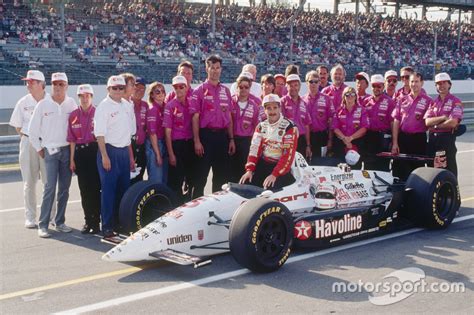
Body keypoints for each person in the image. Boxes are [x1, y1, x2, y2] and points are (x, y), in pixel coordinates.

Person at [29, 72, 77, 238]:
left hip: (66, 151)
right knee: (49, 188)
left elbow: (75, 128)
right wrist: (39, 148)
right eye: (55, 84)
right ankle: (43, 225)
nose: (57, 87)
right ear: (51, 86)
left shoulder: (72, 104)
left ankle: (60, 221)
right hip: (50, 150)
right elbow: (32, 130)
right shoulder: (43, 104)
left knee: (64, 189)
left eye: (61, 84)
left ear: (67, 86)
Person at [9, 70, 56, 229]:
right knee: (29, 182)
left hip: (47, 144)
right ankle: (30, 217)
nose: (27, 84)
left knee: (49, 183)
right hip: (28, 143)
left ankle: (51, 216)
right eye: (27, 81)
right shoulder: (23, 102)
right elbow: (17, 126)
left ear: (41, 84)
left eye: (31, 82)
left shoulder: (52, 101)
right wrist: (30, 138)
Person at [94, 75, 136, 238]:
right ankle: (107, 227)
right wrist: (105, 156)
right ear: (108, 89)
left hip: (124, 152)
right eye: (114, 88)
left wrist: (130, 157)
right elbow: (99, 135)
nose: (118, 91)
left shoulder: (127, 105)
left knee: (123, 191)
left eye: (121, 88)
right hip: (109, 151)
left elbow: (130, 132)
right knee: (108, 192)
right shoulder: (103, 107)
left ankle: (120, 224)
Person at [190, 55, 236, 196]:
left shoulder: (225, 91)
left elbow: (228, 116)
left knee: (221, 178)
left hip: (222, 137)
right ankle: (195, 209)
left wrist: (231, 139)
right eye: (212, 68)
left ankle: (216, 210)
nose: (215, 71)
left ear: (221, 69)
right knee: (200, 177)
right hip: (205, 137)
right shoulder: (199, 91)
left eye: (217, 68)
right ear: (206, 69)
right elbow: (195, 118)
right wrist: (197, 141)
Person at [239, 94, 298, 189]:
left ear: (280, 108)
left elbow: (287, 156)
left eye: (275, 107)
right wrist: (249, 170)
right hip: (264, 164)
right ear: (264, 110)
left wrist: (275, 174)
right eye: (269, 108)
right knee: (245, 184)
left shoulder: (289, 127)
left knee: (269, 188)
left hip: (281, 168)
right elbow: (254, 149)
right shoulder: (261, 126)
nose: (272, 111)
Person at [67, 84, 101, 234]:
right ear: (78, 98)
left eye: (88, 95)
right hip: (80, 154)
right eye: (82, 96)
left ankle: (97, 221)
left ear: (92, 97)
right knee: (84, 190)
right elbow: (71, 139)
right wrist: (72, 159)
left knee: (96, 189)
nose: (85, 98)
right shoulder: (73, 115)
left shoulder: (99, 112)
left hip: (95, 151)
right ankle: (88, 221)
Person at [391, 72, 431, 180]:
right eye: (412, 81)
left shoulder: (428, 101)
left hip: (419, 139)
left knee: (417, 170)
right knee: (400, 169)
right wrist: (395, 143)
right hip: (403, 139)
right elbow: (396, 121)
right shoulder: (402, 99)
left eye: (417, 81)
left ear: (422, 83)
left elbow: (431, 122)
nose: (414, 84)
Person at [424, 73, 463, 177]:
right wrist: (443, 118)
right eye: (438, 83)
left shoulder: (456, 101)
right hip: (432, 142)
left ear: (449, 84)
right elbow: (427, 122)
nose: (441, 85)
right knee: (433, 173)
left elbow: (453, 122)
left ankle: (451, 193)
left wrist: (436, 126)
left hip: (447, 141)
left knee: (448, 173)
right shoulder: (433, 103)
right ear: (436, 86)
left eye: (444, 83)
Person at [163, 76, 195, 202]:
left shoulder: (192, 103)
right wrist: (171, 154)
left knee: (191, 179)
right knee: (176, 181)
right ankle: (173, 208)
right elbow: (167, 132)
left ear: (187, 87)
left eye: (181, 86)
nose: (179, 89)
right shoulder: (170, 106)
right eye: (176, 87)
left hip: (190, 145)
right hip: (176, 146)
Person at [230, 75, 261, 182]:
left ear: (249, 88)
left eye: (246, 87)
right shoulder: (230, 102)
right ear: (237, 87)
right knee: (229, 171)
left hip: (246, 142)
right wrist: (231, 139)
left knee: (243, 171)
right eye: (241, 87)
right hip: (231, 140)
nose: (243, 89)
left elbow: (257, 128)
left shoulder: (254, 106)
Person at [363, 75, 396, 171]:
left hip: (384, 137)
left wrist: (394, 142)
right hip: (369, 137)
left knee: (383, 167)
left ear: (383, 86)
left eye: (379, 86)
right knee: (368, 167)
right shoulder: (366, 101)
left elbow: (393, 123)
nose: (376, 88)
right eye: (374, 86)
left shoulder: (390, 102)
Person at [331, 86, 369, 169]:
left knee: (356, 168)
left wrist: (351, 138)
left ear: (356, 96)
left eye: (352, 94)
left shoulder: (362, 110)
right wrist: (345, 139)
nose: (350, 96)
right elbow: (335, 127)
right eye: (347, 94)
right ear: (344, 97)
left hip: (356, 142)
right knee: (340, 167)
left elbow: (364, 128)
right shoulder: (338, 110)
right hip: (341, 142)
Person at [303, 70, 335, 163]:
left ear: (319, 83)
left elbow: (332, 121)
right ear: (306, 83)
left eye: (316, 82)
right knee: (307, 162)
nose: (313, 84)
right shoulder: (302, 100)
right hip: (306, 137)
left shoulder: (326, 98)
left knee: (321, 163)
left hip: (322, 137)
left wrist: (330, 139)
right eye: (311, 81)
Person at [280, 74, 312, 160]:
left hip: (301, 140)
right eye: (291, 85)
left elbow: (307, 125)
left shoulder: (304, 103)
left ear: (300, 86)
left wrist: (308, 145)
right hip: (287, 139)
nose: (293, 88)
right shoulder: (282, 102)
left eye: (296, 85)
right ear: (287, 86)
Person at [145, 81, 167, 183]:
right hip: (155, 145)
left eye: (163, 91)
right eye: (157, 91)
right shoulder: (152, 109)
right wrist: (157, 154)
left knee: (164, 179)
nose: (161, 93)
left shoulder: (165, 107)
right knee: (156, 179)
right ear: (152, 95)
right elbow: (152, 134)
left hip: (163, 143)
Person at [130, 77, 148, 183]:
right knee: (127, 178)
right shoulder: (126, 104)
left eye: (142, 89)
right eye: (137, 88)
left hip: (141, 147)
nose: (139, 91)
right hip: (128, 146)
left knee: (139, 178)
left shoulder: (145, 106)